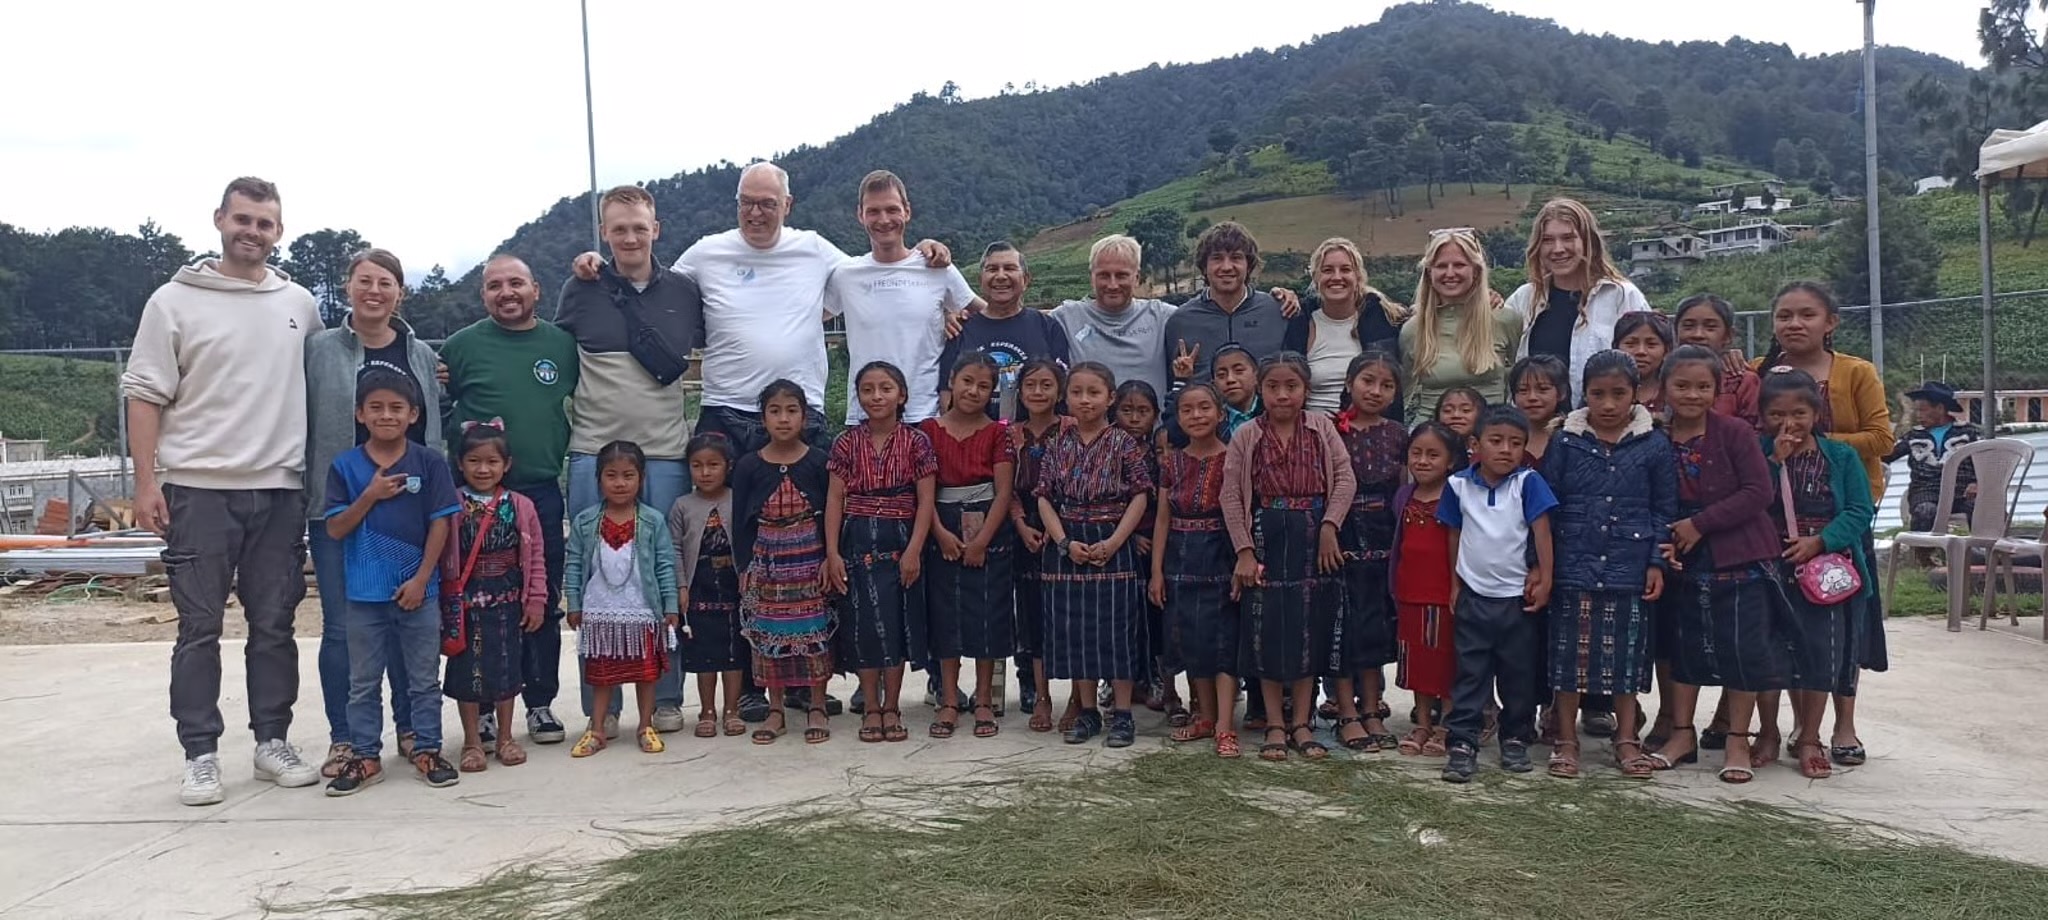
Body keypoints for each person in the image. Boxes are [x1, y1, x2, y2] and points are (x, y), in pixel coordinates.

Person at [124, 177, 323, 805]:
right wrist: (146, 481)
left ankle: (272, 741)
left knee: (275, 624)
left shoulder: (300, 303)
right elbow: (144, 393)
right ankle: (201, 753)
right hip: (199, 490)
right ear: (219, 220)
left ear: (279, 231)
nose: (253, 232)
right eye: (243, 219)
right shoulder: (174, 302)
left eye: (265, 223)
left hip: (279, 490)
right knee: (199, 628)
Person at [555, 187, 704, 734]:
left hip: (664, 452)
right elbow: (551, 351)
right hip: (592, 449)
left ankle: (665, 696)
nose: (630, 238)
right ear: (604, 234)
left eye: (638, 227)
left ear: (656, 229)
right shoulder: (582, 288)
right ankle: (604, 705)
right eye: (618, 229)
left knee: (661, 574)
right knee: (595, 574)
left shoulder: (686, 291)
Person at [305, 248, 443, 776]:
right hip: (338, 508)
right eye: (364, 281)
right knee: (344, 629)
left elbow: (431, 430)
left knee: (408, 619)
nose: (374, 291)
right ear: (348, 287)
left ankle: (412, 729)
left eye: (385, 283)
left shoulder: (421, 353)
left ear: (399, 292)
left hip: (409, 513)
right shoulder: (318, 350)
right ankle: (348, 739)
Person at [439, 254, 580, 747]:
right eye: (495, 285)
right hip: (475, 498)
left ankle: (539, 703)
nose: (507, 292)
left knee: (537, 600)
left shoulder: (562, 345)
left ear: (536, 289)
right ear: (484, 295)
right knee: (476, 603)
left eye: (516, 282)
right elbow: (437, 404)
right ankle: (480, 705)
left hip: (539, 491)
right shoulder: (459, 348)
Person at [1751, 281, 1891, 767]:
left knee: (1838, 636)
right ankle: (1781, 731)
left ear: (1830, 321)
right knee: (1775, 643)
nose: (1794, 323)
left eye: (1807, 314)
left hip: (1836, 535)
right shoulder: (1756, 372)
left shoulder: (1856, 372)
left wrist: (1820, 441)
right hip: (1774, 549)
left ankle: (1837, 728)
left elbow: (1882, 437)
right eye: (1784, 315)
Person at [320, 370, 461, 795]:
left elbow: (441, 524)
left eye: (396, 408)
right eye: (376, 407)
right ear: (360, 414)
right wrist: (370, 495)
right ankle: (365, 756)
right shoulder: (345, 467)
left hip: (420, 592)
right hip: (363, 595)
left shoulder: (429, 462)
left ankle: (428, 749)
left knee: (423, 678)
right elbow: (334, 529)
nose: (386, 415)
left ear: (413, 414)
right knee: (363, 682)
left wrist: (422, 579)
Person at [1654, 346, 1786, 783]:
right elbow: (1651, 498)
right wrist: (1667, 540)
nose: (1692, 394)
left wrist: (1699, 524)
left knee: (1743, 649)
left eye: (1703, 386)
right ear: (1664, 388)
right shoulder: (1655, 437)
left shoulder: (1734, 432)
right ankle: (1680, 734)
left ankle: (1737, 741)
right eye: (1682, 385)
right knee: (1683, 647)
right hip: (1683, 560)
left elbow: (1757, 492)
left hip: (1741, 555)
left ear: (1716, 390)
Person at [1541, 351, 1675, 780]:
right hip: (1572, 563)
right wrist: (1539, 566)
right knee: (1567, 659)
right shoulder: (1566, 440)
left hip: (1629, 565)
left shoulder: (1654, 443)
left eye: (1619, 394)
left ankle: (1626, 739)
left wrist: (1656, 561)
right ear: (1585, 395)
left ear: (1636, 394)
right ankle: (1565, 739)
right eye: (1598, 394)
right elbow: (1545, 506)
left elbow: (1664, 508)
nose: (1609, 404)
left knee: (1626, 659)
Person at [1220, 353, 1357, 763]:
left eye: (1292, 386)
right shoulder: (1247, 434)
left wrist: (1330, 526)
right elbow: (1231, 494)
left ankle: (1301, 720)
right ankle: (1275, 724)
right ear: (1260, 390)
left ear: (1307, 390)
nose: (1282, 395)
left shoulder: (1322, 429)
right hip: (1265, 533)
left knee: (1307, 628)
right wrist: (1244, 551)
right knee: (1266, 629)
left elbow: (1345, 477)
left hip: (1314, 533)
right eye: (1273, 387)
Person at [1756, 367, 1877, 780]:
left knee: (1820, 654)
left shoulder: (1840, 456)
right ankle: (1768, 733)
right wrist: (1775, 462)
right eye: (1776, 415)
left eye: (1799, 414)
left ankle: (1809, 737)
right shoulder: (1760, 451)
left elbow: (1860, 510)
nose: (1788, 423)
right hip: (1769, 566)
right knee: (1768, 652)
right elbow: (1749, 500)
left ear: (1817, 413)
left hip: (1826, 571)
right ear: (1762, 416)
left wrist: (1820, 541)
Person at [1035, 362, 1155, 747]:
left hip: (1112, 543)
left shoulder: (1124, 443)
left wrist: (1117, 541)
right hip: (1069, 546)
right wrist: (1064, 542)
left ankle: (1121, 714)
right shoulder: (1057, 443)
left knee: (1116, 631)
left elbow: (1140, 494)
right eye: (1077, 393)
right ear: (1066, 397)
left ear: (1110, 398)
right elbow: (1044, 498)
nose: (1084, 400)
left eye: (1094, 393)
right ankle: (1086, 711)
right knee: (1076, 631)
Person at [1437, 405, 1556, 784]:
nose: (1506, 450)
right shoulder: (1458, 485)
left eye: (1516, 443)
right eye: (1496, 441)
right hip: (1474, 596)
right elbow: (1454, 536)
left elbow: (1542, 533)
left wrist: (1546, 580)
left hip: (1516, 601)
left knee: (1517, 675)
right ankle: (1462, 742)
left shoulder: (1529, 483)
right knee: (1470, 674)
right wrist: (1455, 584)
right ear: (1475, 444)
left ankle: (1516, 738)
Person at [825, 362, 939, 743]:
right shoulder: (845, 442)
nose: (877, 396)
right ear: (858, 397)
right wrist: (832, 553)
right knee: (861, 627)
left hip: (900, 539)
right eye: (868, 389)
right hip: (855, 539)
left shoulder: (917, 441)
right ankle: (871, 707)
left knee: (896, 626)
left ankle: (892, 707)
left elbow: (925, 501)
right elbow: (835, 499)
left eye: (886, 388)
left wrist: (914, 551)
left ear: (902, 395)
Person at [827, 171, 981, 426]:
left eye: (892, 209)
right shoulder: (846, 275)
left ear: (907, 211)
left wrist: (952, 315)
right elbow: (808, 316)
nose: (884, 219)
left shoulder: (937, 268)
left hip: (927, 417)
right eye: (873, 211)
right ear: (860, 215)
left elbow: (987, 315)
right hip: (866, 417)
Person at [438, 422, 548, 773]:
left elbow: (536, 557)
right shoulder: (451, 504)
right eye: (474, 461)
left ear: (507, 465)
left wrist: (535, 600)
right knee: (466, 670)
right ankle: (472, 741)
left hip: (508, 601)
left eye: (492, 462)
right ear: (459, 462)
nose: (483, 469)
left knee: (506, 669)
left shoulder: (521, 505)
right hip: (465, 603)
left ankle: (505, 737)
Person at [731, 381, 836, 745]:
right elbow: (739, 522)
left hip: (809, 563)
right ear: (763, 418)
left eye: (791, 410)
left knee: (815, 635)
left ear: (804, 416)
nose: (784, 418)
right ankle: (775, 709)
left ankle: (817, 705)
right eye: (774, 411)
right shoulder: (748, 466)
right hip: (768, 565)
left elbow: (832, 516)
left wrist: (828, 558)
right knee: (767, 638)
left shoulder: (819, 462)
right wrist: (745, 567)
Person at [919, 353, 1017, 738]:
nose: (973, 391)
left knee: (987, 615)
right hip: (940, 525)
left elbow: (1005, 491)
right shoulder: (928, 430)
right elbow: (923, 493)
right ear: (952, 382)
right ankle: (947, 699)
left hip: (988, 528)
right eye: (967, 382)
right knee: (946, 615)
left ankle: (982, 700)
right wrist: (940, 533)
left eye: (983, 386)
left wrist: (982, 542)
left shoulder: (999, 433)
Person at [563, 441, 681, 758]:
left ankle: (645, 725)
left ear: (641, 478)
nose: (620, 483)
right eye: (611, 475)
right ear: (598, 479)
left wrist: (670, 605)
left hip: (642, 609)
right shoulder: (586, 522)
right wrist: (574, 604)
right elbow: (574, 563)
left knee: (646, 672)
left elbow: (665, 564)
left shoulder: (653, 520)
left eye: (628, 475)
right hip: (600, 611)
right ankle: (597, 728)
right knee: (601, 673)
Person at [1149, 383, 1238, 756]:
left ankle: (1224, 725)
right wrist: (1156, 571)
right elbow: (1162, 519)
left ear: (1220, 414)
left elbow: (1240, 513)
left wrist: (1242, 563)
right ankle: (1202, 716)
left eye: (1205, 408)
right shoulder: (1173, 462)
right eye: (1188, 410)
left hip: (1220, 555)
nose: (1197, 416)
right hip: (1180, 560)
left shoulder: (1233, 458)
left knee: (1222, 643)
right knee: (1192, 640)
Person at [1331, 351, 1405, 752]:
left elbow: (1405, 489)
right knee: (1344, 626)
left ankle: (1373, 708)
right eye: (1367, 381)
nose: (1375, 391)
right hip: (1340, 541)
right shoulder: (1331, 430)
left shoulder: (1397, 433)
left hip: (1383, 541)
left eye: (1386, 384)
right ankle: (1345, 710)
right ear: (1348, 384)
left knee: (1374, 628)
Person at [1506, 198, 1652, 389]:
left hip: (1603, 417)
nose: (1558, 249)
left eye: (1568, 238)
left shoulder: (1622, 296)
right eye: (1548, 240)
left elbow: (1651, 361)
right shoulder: (1524, 299)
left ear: (1587, 241)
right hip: (1535, 419)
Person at [1391, 422, 1466, 758]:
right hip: (1410, 592)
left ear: (1450, 461)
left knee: (1445, 660)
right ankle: (1421, 721)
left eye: (1433, 455)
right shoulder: (1404, 496)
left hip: (1442, 593)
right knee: (1417, 661)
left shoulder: (1457, 495)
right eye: (1416, 453)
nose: (1422, 461)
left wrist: (1458, 586)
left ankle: (1447, 724)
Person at [939, 242, 1070, 422]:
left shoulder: (1047, 327)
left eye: (1009, 268)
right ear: (980, 280)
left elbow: (1061, 391)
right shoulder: (960, 329)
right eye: (992, 269)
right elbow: (947, 393)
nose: (1000, 276)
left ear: (1026, 280)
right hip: (975, 440)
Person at [669, 433, 746, 738]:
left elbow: (749, 538)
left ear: (728, 466)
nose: (705, 472)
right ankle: (707, 711)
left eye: (713, 464)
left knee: (733, 651)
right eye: (697, 465)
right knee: (703, 653)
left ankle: (732, 709)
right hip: (699, 587)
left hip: (733, 586)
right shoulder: (682, 506)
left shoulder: (738, 499)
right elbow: (674, 547)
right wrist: (681, 586)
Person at [1401, 230, 1520, 423]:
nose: (1450, 273)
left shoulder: (1505, 320)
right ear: (1429, 273)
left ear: (1475, 270)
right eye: (1441, 266)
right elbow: (1404, 394)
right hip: (1432, 438)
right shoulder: (1412, 330)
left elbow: (1517, 380)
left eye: (1459, 265)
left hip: (1490, 436)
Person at [1009, 359, 1069, 732]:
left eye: (1046, 385)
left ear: (1059, 391)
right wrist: (1020, 524)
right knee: (1031, 615)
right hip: (1025, 532)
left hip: (1068, 528)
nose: (1038, 392)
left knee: (1073, 614)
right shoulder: (1010, 433)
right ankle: (1039, 693)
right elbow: (1006, 488)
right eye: (1031, 385)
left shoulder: (1073, 429)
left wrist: (1058, 527)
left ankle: (1082, 698)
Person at [1163, 222, 1297, 388]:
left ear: (1249, 265)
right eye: (1217, 258)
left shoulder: (1278, 311)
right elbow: (1173, 388)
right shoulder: (1180, 322)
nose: (1226, 267)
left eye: (1236, 258)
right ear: (1204, 267)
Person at [1288, 237, 1407, 413]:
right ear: (1315, 277)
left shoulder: (1384, 320)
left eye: (1345, 270)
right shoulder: (1300, 323)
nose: (1337, 277)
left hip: (1368, 431)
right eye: (1328, 270)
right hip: (1312, 431)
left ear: (1357, 276)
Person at [1050, 236, 1179, 395]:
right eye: (1104, 275)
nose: (1112, 285)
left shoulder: (1162, 317)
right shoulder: (1065, 319)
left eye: (1121, 276)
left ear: (1137, 278)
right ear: (1092, 277)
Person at [1886, 381, 1982, 533]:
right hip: (1926, 492)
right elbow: (1887, 456)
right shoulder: (1914, 435)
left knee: (1983, 508)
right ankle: (1923, 554)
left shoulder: (1968, 432)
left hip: (1962, 492)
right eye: (1917, 411)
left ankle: (1983, 552)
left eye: (1923, 410)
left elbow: (1985, 461)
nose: (1918, 416)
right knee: (1925, 510)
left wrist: (1977, 482)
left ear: (1940, 408)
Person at [1674, 294, 1760, 429]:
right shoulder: (1664, 375)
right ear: (1676, 331)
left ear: (1728, 335)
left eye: (1710, 328)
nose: (1698, 334)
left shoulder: (1742, 381)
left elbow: (1755, 432)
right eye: (1688, 326)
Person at [1613, 311, 1674, 416]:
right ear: (1615, 347)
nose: (1641, 351)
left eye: (1651, 344)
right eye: (1631, 344)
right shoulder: (1602, 388)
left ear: (1667, 351)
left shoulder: (1674, 393)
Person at [1212, 344, 1263, 439]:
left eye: (1238, 371)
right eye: (1221, 375)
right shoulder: (1211, 423)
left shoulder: (1273, 412)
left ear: (1256, 376)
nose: (1230, 379)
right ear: (1214, 384)